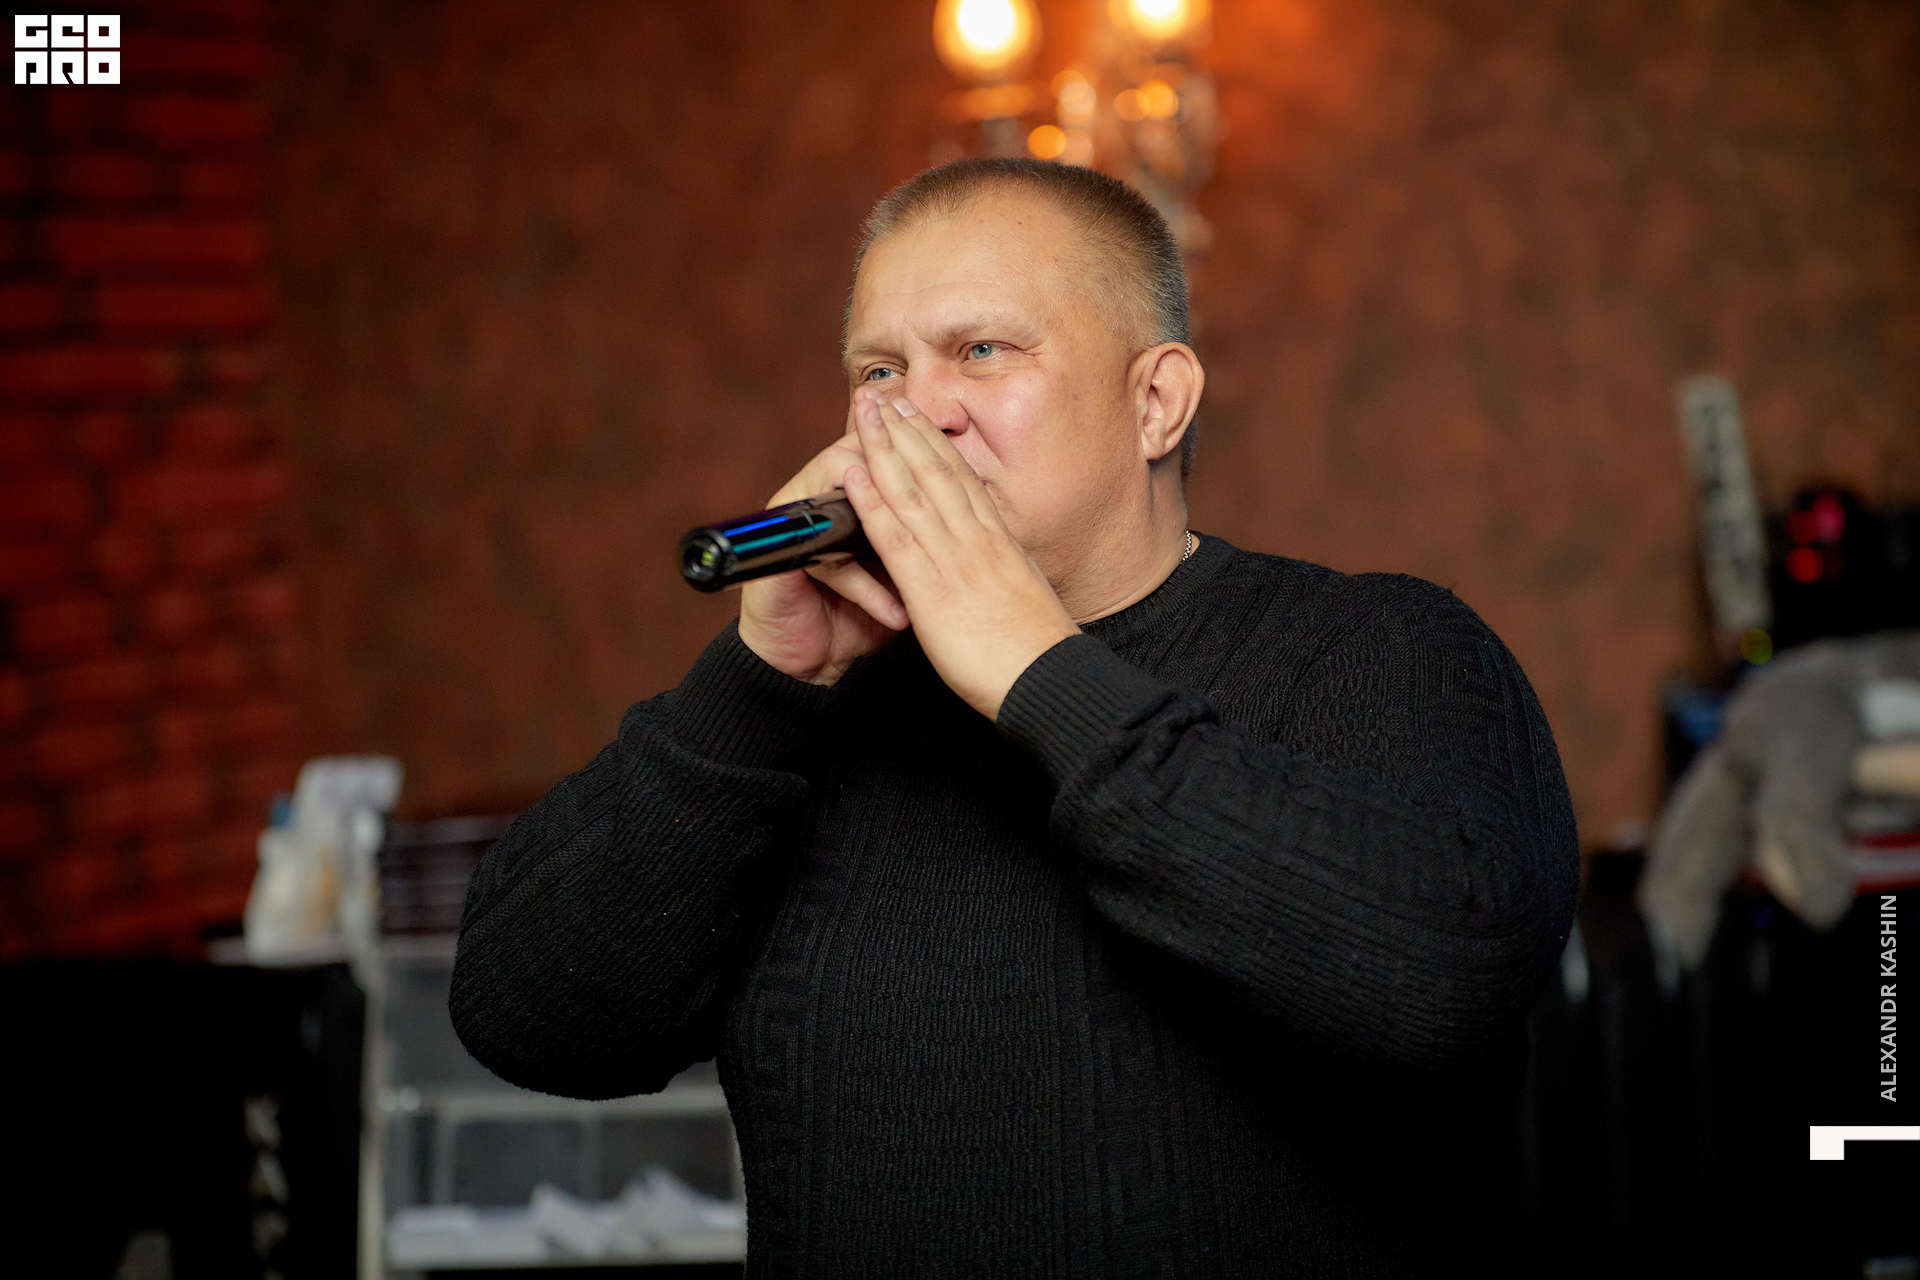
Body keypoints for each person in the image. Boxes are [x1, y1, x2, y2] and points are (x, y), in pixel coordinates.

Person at [450, 158, 1579, 1277]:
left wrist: (1035, 669)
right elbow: (527, 1018)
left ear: (1156, 401)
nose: (917, 411)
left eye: (983, 351)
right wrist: (760, 681)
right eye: (880, 368)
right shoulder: (814, 719)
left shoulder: (1381, 648)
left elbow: (1451, 972)